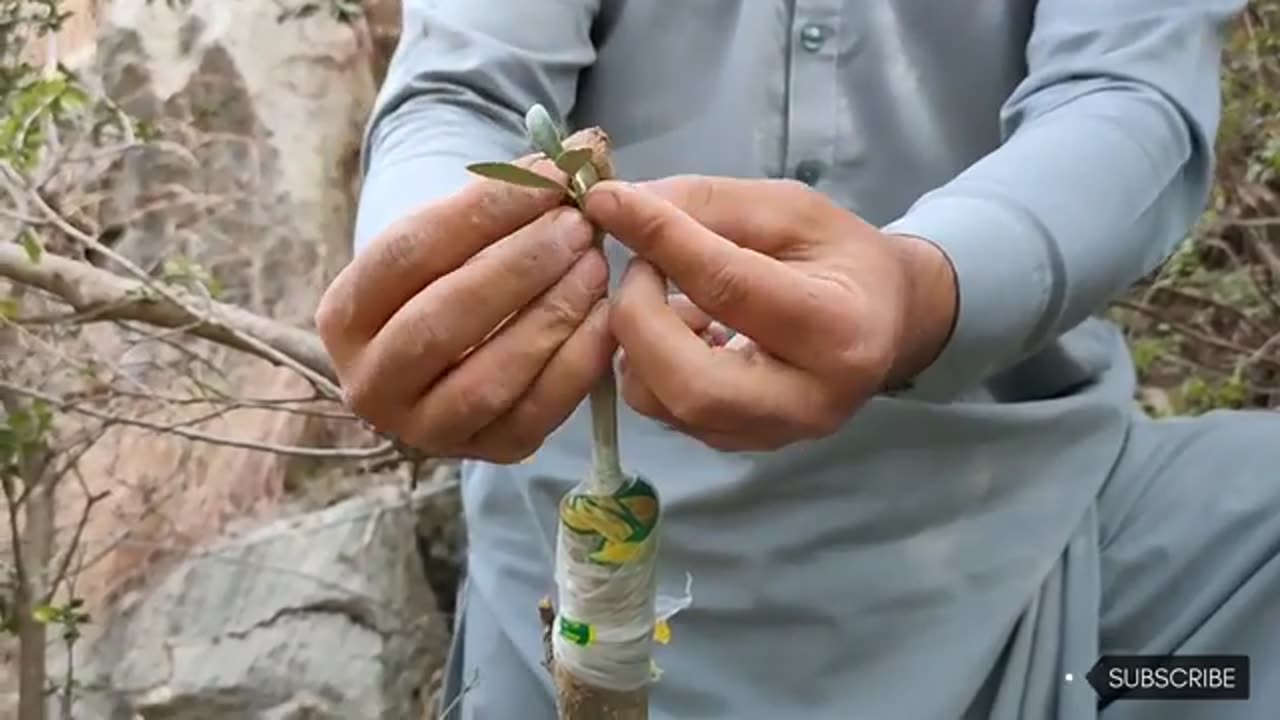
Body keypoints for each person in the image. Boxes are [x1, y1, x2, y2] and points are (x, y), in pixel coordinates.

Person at [314, 1, 1279, 718]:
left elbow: (1126, 92)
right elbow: (459, 91)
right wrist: (435, 283)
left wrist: (924, 286)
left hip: (1046, 572)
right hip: (582, 597)